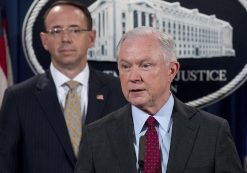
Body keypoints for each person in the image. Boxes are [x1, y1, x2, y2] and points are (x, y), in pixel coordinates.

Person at [74, 27, 243, 173]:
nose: (133, 77)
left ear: (171, 70)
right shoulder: (96, 136)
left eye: (145, 65)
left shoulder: (213, 131)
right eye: (125, 66)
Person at [0, 1, 127, 173]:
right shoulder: (18, 98)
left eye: (75, 30)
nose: (66, 38)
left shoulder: (120, 91)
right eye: (57, 31)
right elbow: (5, 165)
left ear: (91, 38)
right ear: (45, 40)